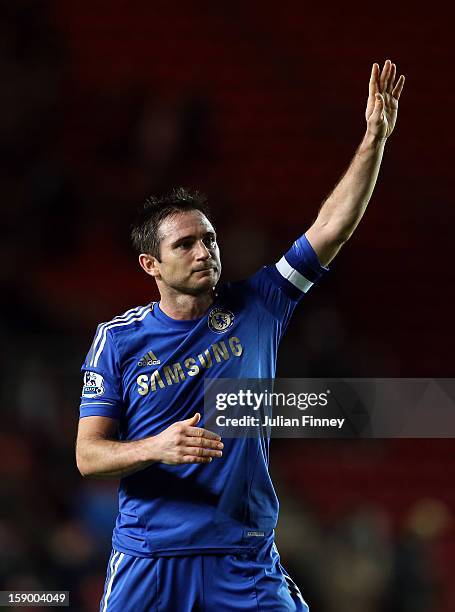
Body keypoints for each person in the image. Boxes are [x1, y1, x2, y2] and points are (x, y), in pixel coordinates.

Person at [76, 60, 405, 611]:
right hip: (149, 560)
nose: (204, 251)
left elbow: (331, 227)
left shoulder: (259, 304)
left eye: (208, 238)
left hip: (242, 556)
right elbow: (88, 457)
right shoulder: (117, 340)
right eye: (185, 244)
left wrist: (373, 139)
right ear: (150, 264)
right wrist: (159, 446)